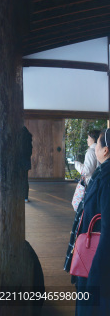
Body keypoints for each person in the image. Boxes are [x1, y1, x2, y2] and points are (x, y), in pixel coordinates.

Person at [73, 127, 110, 315]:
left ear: (106, 150)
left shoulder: (106, 178)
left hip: (97, 259)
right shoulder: (103, 172)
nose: (94, 148)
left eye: (97, 145)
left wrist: (96, 271)